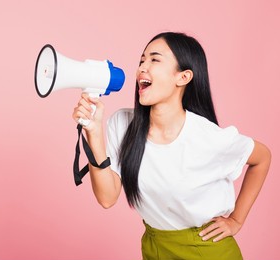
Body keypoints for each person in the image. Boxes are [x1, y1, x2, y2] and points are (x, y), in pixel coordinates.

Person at [72, 32, 271, 260]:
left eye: (154, 60)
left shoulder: (206, 136)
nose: (142, 68)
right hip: (155, 247)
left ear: (183, 77)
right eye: (141, 60)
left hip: (205, 250)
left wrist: (236, 219)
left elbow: (262, 157)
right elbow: (107, 197)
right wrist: (94, 132)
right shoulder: (122, 124)